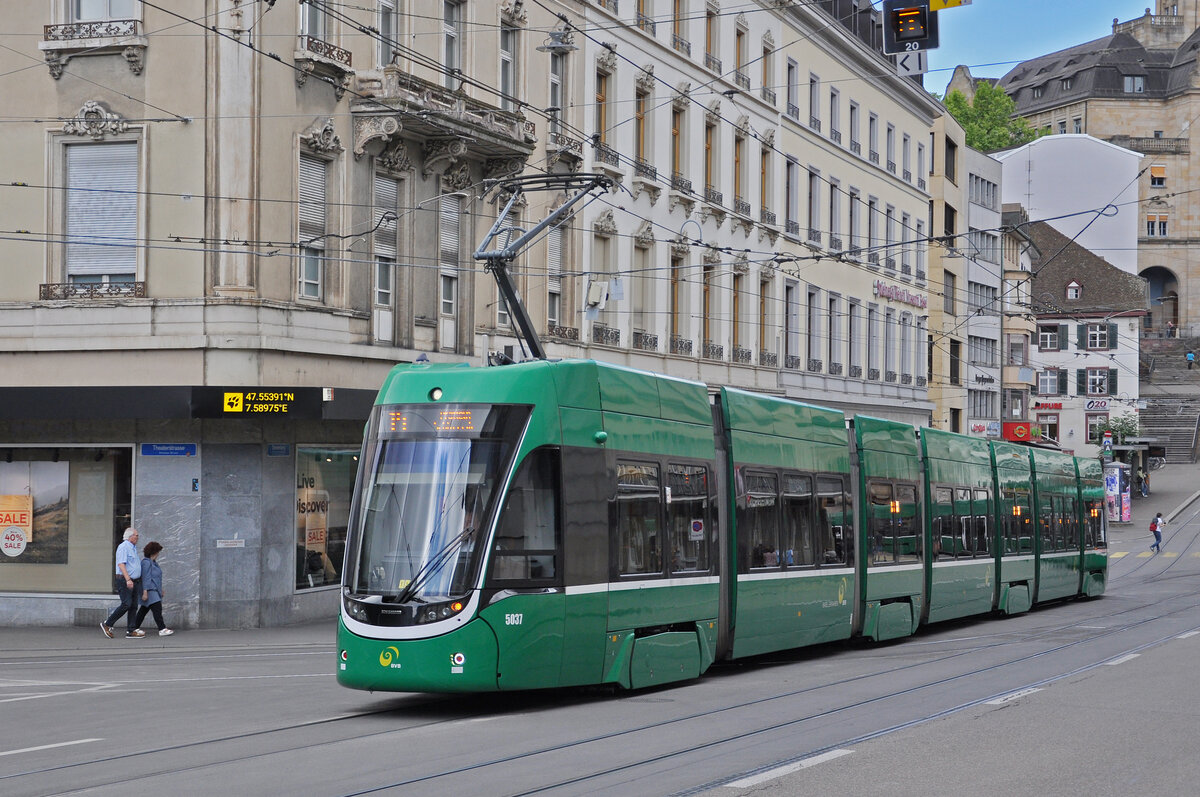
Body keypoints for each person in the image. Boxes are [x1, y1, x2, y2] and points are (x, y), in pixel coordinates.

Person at [101, 528, 145, 638]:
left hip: (134, 581)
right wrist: (128, 579)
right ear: (130, 536)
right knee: (126, 604)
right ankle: (107, 624)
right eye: (136, 535)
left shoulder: (133, 548)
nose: (138, 537)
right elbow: (121, 564)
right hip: (125, 580)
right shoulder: (123, 547)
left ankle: (131, 630)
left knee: (133, 606)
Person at [132, 541, 174, 636]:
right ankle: (162, 628)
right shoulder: (146, 563)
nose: (159, 554)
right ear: (154, 552)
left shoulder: (153, 563)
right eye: (158, 551)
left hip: (153, 589)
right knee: (157, 609)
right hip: (150, 590)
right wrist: (145, 592)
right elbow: (146, 578)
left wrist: (160, 589)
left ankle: (133, 627)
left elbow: (156, 578)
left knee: (143, 610)